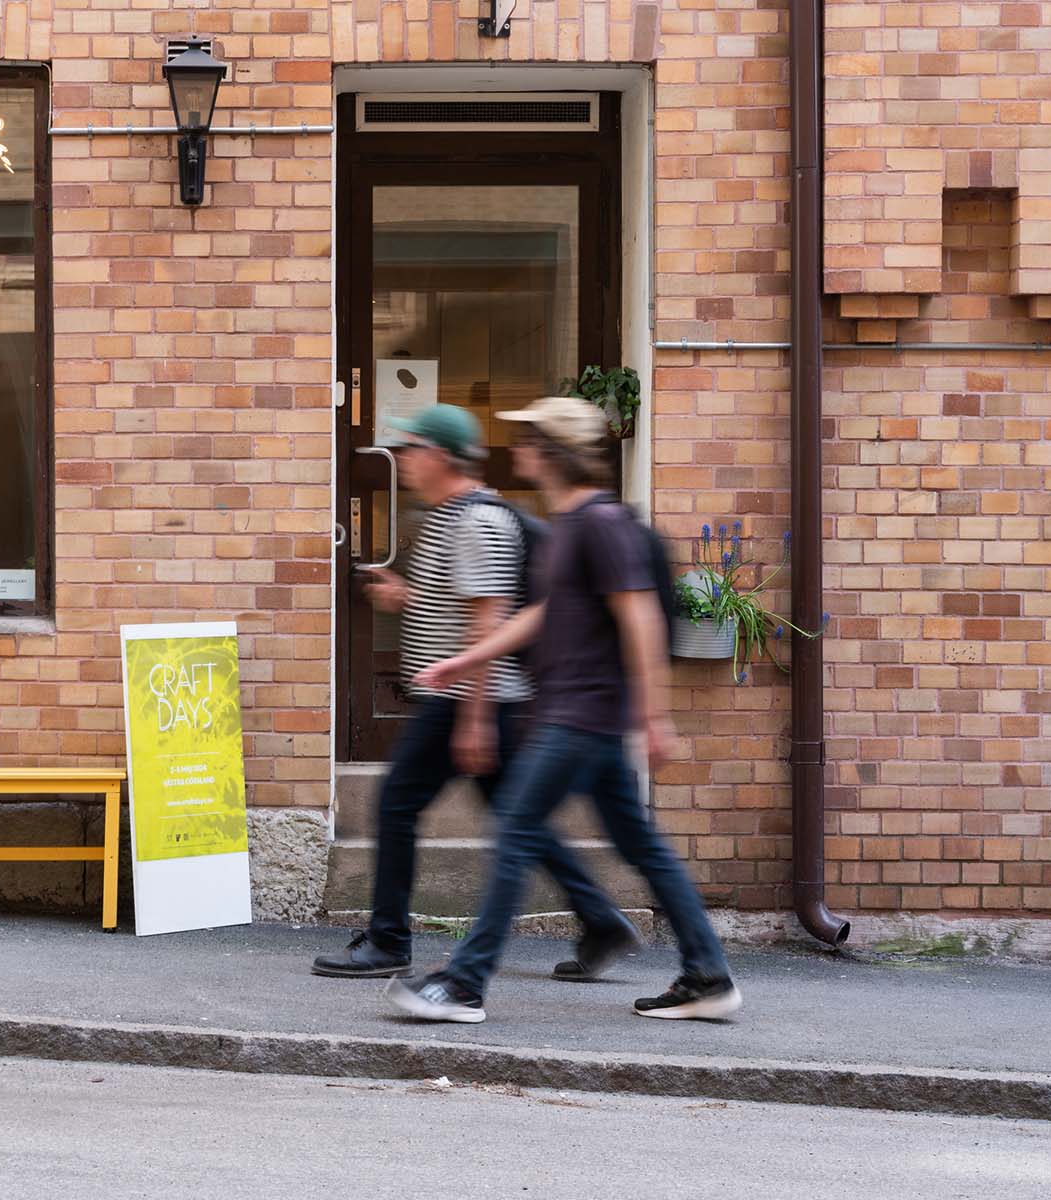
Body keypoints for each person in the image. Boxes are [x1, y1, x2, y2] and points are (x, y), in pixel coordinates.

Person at [386, 395, 741, 1022]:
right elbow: (543, 615)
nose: (517, 448)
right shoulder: (570, 523)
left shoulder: (600, 523)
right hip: (582, 717)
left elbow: (640, 617)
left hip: (580, 716)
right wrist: (466, 661)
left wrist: (655, 717)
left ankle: (464, 982)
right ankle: (707, 975)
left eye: (527, 438)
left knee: (516, 830)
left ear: (551, 452)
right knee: (642, 847)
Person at [313, 404, 638, 980]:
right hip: (473, 697)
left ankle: (389, 940)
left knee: (397, 804)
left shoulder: (476, 522)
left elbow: (487, 619)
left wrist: (475, 720)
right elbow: (461, 601)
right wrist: (407, 597)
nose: (402, 460)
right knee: (518, 817)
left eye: (411, 448)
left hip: (468, 699)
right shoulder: (447, 516)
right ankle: (600, 919)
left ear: (441, 456)